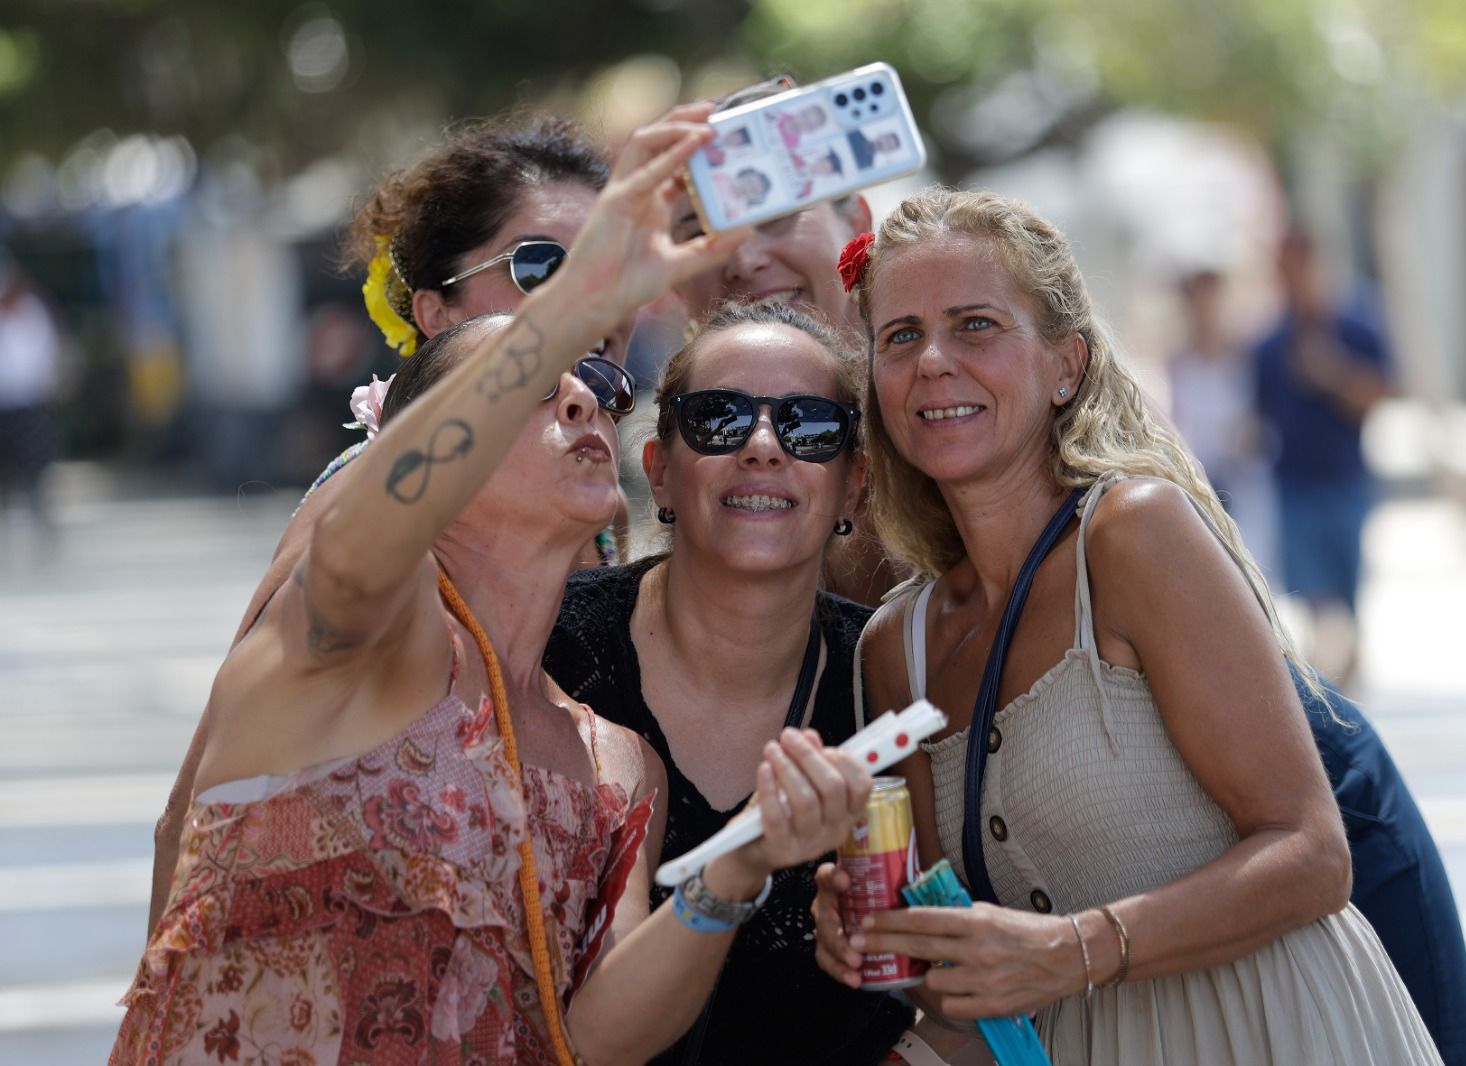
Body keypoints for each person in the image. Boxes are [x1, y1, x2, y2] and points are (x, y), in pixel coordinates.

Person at [117, 109, 872, 1064]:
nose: (579, 389)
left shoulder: (613, 757)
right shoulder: (371, 589)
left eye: (596, 382)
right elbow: (187, 820)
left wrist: (740, 867)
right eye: (538, 270)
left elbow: (594, 1038)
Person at [810, 188, 1445, 1065]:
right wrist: (886, 953)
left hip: (1267, 1032)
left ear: (1064, 365)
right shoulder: (898, 649)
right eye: (902, 336)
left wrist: (1071, 952)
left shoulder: (1133, 534)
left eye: (977, 326)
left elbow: (1312, 852)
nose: (934, 362)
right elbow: (969, 993)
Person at [146, 113, 635, 927]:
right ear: (434, 312)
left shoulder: (593, 504)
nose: (588, 296)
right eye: (545, 267)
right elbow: (190, 813)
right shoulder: (367, 496)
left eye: (609, 267)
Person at [543, 300, 914, 1065]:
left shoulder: (892, 676)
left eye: (808, 425)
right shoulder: (548, 649)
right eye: (719, 418)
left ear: (853, 487)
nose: (763, 447)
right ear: (660, 474)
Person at [672, 83, 905, 606]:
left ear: (858, 221)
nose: (742, 259)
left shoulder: (960, 415)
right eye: (699, 232)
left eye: (772, 213)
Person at [1252, 228, 1392, 690]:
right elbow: (1260, 417)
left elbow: (1380, 396)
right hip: (1294, 484)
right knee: (1314, 597)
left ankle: (1346, 680)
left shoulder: (1357, 326)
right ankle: (1328, 687)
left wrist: (1332, 375)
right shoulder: (1270, 344)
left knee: (1346, 592)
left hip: (1345, 480)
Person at [1166, 267, 1278, 577]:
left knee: (1256, 568)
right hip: (1203, 480)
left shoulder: (1248, 355)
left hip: (1246, 480)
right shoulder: (1179, 361)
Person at [0, 246, 61, 542]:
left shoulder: (32, 310)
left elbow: (45, 353)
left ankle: (41, 524)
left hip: (29, 404)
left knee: (36, 468)